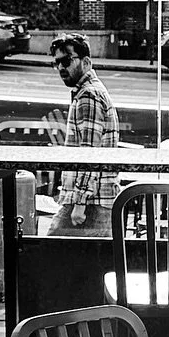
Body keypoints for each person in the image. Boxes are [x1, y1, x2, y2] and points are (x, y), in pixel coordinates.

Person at [48, 33, 120, 235]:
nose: (61, 68)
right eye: (57, 63)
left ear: (86, 62)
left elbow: (89, 153)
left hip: (90, 203)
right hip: (96, 198)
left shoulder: (89, 95)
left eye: (66, 61)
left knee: (47, 250)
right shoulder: (90, 92)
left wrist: (80, 203)